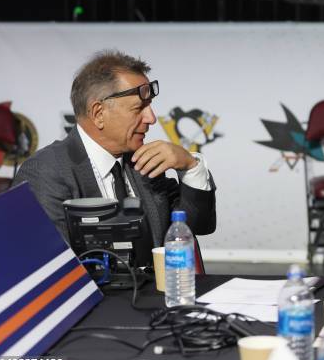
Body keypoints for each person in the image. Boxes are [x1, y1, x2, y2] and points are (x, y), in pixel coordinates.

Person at [13, 50, 216, 267]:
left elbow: (197, 226)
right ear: (99, 113)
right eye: (139, 108)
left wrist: (190, 166)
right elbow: (57, 270)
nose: (152, 118)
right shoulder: (45, 173)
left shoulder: (143, 163)